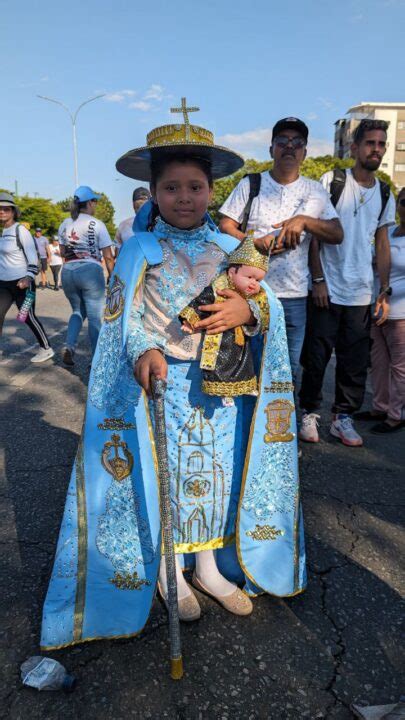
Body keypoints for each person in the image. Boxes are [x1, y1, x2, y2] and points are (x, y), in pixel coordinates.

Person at [41, 102, 305, 651]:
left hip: (222, 392)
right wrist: (142, 351)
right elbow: (121, 319)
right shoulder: (139, 247)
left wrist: (249, 312)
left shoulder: (233, 249)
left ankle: (208, 567)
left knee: (217, 479)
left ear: (212, 190)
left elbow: (271, 308)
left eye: (195, 187)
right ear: (154, 194)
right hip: (161, 389)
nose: (184, 198)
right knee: (170, 480)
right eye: (171, 189)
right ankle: (171, 572)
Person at [219, 117, 343, 386]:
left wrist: (305, 222)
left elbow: (336, 233)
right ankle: (245, 427)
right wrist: (253, 242)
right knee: (244, 369)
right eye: (282, 141)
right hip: (249, 293)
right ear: (271, 149)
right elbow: (225, 224)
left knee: (285, 375)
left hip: (294, 298)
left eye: (297, 143)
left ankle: (283, 427)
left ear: (305, 153)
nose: (290, 147)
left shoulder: (315, 191)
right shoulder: (251, 184)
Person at [299, 119, 396, 447]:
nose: (377, 150)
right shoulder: (333, 180)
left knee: (354, 363)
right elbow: (315, 232)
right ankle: (310, 412)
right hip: (327, 288)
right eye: (370, 143)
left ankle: (343, 418)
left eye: (382, 144)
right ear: (354, 148)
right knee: (316, 357)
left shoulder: (384, 192)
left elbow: (382, 243)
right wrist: (318, 279)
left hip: (361, 292)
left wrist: (383, 290)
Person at [179, 233, 269, 401]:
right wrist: (190, 321)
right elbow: (202, 302)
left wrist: (249, 312)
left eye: (258, 280)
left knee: (243, 363)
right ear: (231, 272)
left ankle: (245, 385)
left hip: (242, 342)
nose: (253, 283)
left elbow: (266, 312)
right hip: (220, 338)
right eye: (249, 277)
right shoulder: (218, 289)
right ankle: (221, 391)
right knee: (219, 364)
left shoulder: (257, 296)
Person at [358, 188, 405, 434]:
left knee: (400, 367)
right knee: (379, 363)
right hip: (379, 311)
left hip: (401, 314)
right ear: (397, 205)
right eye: (404, 201)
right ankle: (380, 406)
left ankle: (396, 415)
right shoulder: (388, 233)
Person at [57, 185, 115, 366]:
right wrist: (113, 278)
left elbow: (62, 251)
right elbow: (108, 256)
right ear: (89, 203)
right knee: (95, 316)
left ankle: (69, 346)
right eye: (94, 201)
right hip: (90, 271)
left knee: (77, 311)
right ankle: (97, 359)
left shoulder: (65, 223)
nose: (95, 205)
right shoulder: (97, 224)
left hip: (68, 272)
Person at [0, 192, 54, 362]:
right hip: (4, 284)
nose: (2, 212)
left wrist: (28, 277)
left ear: (14, 212)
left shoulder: (20, 230)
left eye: (6, 209)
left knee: (26, 316)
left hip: (23, 283)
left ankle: (46, 348)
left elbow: (33, 258)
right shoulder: (3, 232)